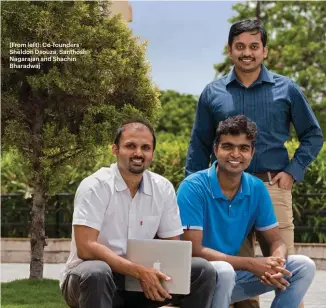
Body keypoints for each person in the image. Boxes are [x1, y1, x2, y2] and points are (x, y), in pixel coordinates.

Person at [185, 19, 323, 308]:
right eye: (240, 46)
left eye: (253, 46)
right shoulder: (213, 93)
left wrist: (292, 172)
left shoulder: (287, 89)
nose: (246, 53)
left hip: (272, 187)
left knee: (281, 269)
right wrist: (196, 189)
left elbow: (313, 135)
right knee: (234, 273)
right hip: (225, 195)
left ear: (265, 51)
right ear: (229, 50)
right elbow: (199, 144)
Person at [59, 120, 217, 308]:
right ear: (115, 150)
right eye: (130, 146)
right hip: (89, 279)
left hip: (140, 280)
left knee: (202, 270)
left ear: (152, 154)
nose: (138, 153)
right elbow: (86, 248)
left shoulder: (163, 188)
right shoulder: (95, 186)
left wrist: (153, 275)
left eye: (145, 148)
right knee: (97, 271)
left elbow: (173, 248)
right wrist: (138, 272)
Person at [178, 115, 316, 308]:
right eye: (228, 146)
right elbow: (194, 250)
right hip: (197, 282)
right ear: (216, 149)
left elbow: (275, 240)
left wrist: (275, 262)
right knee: (224, 271)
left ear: (252, 152)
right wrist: (251, 264)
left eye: (243, 148)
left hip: (233, 277)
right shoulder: (193, 187)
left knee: (303, 266)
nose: (235, 154)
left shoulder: (256, 188)